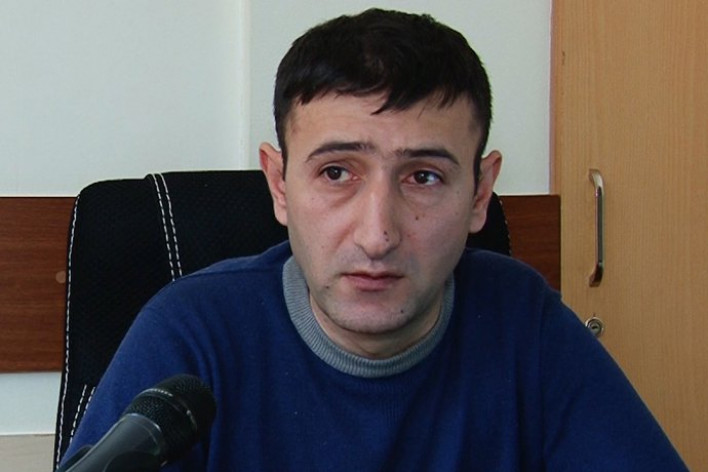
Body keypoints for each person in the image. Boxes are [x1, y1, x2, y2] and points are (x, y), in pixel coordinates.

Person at [60, 8, 687, 471]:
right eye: (337, 173)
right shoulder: (190, 334)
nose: (378, 234)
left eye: (423, 177)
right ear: (279, 185)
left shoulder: (527, 326)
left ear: (479, 194)